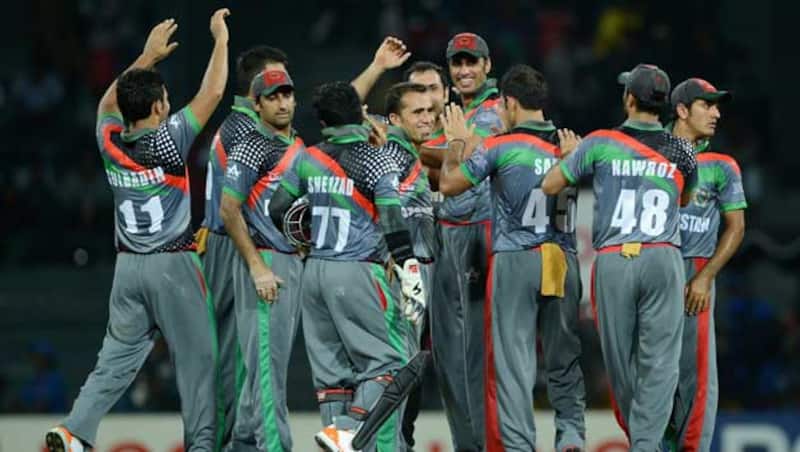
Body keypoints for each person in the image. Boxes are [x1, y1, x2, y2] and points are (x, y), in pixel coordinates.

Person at [45, 10, 230, 452]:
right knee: (198, 362)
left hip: (127, 269)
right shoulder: (170, 140)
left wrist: (146, 56)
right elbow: (215, 91)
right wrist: (220, 40)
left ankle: (74, 430)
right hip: (173, 265)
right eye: (165, 99)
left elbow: (108, 102)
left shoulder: (108, 138)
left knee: (115, 359)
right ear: (158, 108)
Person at [542, 63, 697, 451]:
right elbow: (686, 199)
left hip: (614, 259)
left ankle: (642, 440)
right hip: (663, 257)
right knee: (661, 362)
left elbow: (551, 184)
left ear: (629, 99)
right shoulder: (683, 150)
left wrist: (570, 156)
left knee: (620, 362)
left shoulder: (600, 142)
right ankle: (649, 442)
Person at [267, 81, 425, 452]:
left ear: (322, 122)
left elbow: (277, 209)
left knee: (333, 379)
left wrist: (304, 241)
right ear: (360, 112)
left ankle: (340, 438)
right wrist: (408, 266)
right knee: (389, 364)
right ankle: (349, 428)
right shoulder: (377, 157)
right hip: (357, 271)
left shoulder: (306, 157)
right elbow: (391, 217)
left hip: (315, 272)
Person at [438, 64, 586, 452]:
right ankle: (571, 433)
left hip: (516, 258)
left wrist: (456, 142)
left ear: (509, 102)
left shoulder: (501, 145)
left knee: (515, 363)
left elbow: (449, 186)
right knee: (564, 354)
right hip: (563, 257)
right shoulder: (570, 145)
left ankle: (521, 447)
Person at [199, 44, 289, 448]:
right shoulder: (245, 131)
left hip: (226, 241)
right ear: (253, 90)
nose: (282, 90)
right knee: (233, 362)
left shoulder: (245, 127)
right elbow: (233, 206)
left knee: (239, 358)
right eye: (273, 83)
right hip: (230, 244)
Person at [219, 69, 305, 451]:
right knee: (268, 378)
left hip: (289, 261)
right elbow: (228, 209)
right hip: (266, 266)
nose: (283, 102)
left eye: (287, 94)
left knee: (260, 376)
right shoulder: (250, 146)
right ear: (256, 104)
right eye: (273, 96)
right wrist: (257, 267)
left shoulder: (298, 143)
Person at [433, 32, 506, 452]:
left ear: (487, 65)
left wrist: (404, 142)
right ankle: (468, 443)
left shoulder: (495, 113)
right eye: (457, 63)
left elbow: (455, 159)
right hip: (449, 229)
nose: (463, 70)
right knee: (449, 355)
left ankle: (483, 442)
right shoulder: (456, 111)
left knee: (476, 354)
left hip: (480, 231)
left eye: (471, 62)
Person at [667, 78, 746, 452]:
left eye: (718, 106)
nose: (716, 113)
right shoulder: (650, 154)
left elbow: (737, 227)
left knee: (696, 378)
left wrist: (705, 277)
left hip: (694, 272)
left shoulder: (721, 166)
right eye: (707, 105)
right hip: (652, 265)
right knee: (647, 371)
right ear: (682, 110)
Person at [381, 82, 437, 448]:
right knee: (398, 366)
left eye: (430, 110)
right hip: (403, 274)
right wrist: (392, 255)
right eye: (417, 112)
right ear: (394, 119)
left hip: (417, 270)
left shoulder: (410, 156)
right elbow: (381, 207)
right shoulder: (391, 155)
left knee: (407, 365)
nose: (428, 118)